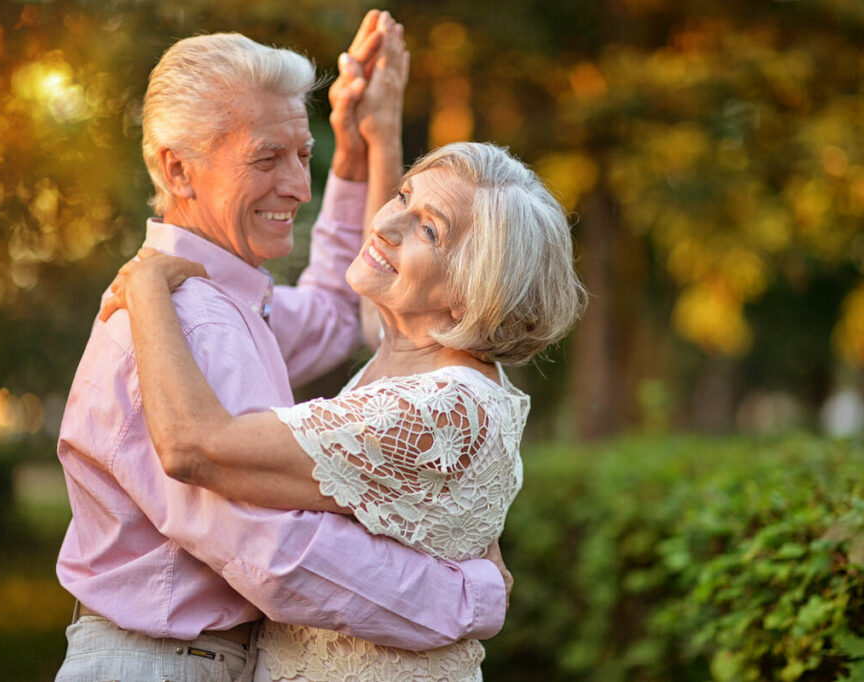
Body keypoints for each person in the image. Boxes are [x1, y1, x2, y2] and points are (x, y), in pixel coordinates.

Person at [55, 14, 512, 682]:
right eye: (267, 159)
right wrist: (473, 594)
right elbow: (274, 551)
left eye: (303, 155)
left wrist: (355, 156)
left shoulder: (228, 298)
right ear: (178, 170)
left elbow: (334, 312)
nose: (298, 186)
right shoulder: (194, 319)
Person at [99, 141, 587, 680]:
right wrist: (377, 132)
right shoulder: (402, 364)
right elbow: (366, 298)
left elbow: (195, 445)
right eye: (403, 195)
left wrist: (146, 287)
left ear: (475, 289)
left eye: (429, 229)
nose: (387, 225)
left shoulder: (442, 408)